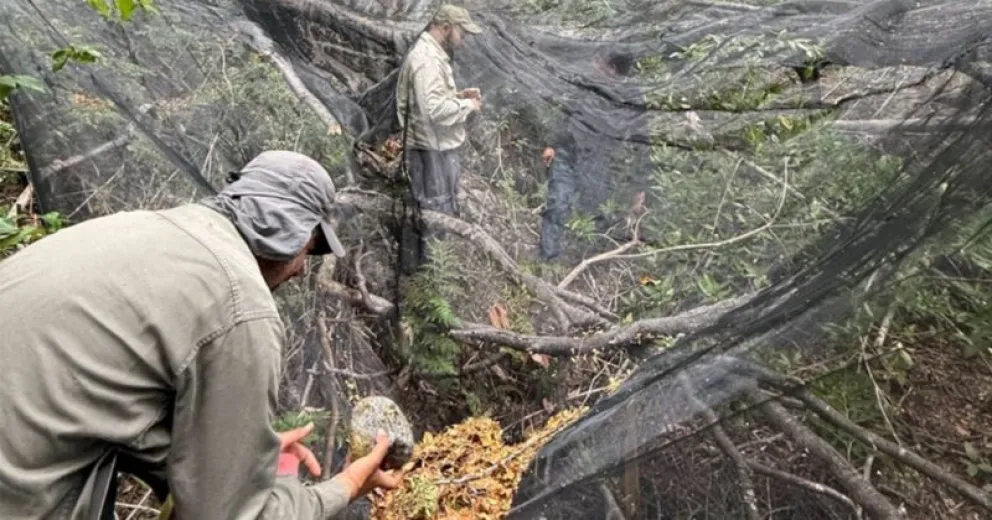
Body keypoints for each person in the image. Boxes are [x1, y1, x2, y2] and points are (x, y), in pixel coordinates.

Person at [0, 150, 402, 519]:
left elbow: (90, 397)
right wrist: (347, 486)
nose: (301, 269)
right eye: (309, 249)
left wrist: (241, 456)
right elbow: (227, 515)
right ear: (290, 234)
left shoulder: (143, 229)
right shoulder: (238, 304)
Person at [538, 50, 648, 260]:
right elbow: (566, 111)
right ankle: (547, 260)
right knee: (558, 203)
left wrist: (639, 186)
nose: (594, 64)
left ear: (613, 70)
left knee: (594, 210)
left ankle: (582, 260)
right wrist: (551, 144)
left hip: (598, 158)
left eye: (600, 62)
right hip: (568, 150)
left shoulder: (632, 98)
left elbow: (641, 142)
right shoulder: (588, 82)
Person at [395, 4, 484, 217]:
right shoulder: (428, 60)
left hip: (435, 150)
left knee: (440, 214)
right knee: (436, 218)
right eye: (462, 33)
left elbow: (424, 102)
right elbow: (434, 110)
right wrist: (468, 105)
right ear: (445, 28)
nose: (464, 40)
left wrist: (459, 96)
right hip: (430, 154)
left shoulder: (431, 54)